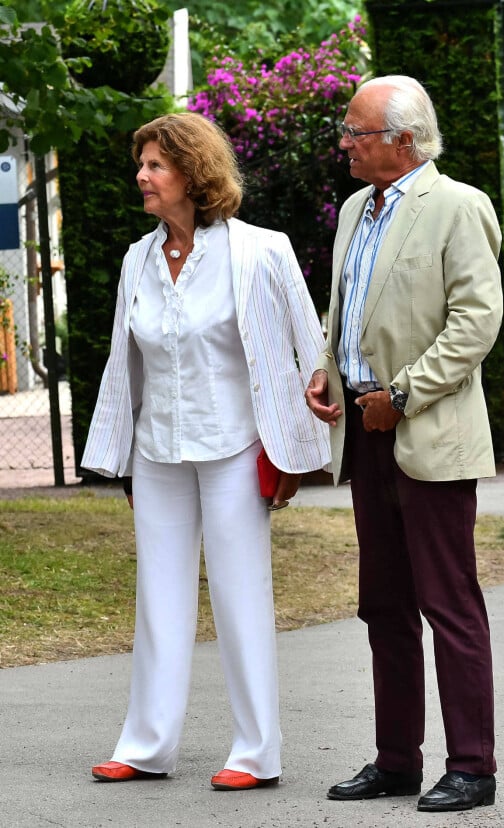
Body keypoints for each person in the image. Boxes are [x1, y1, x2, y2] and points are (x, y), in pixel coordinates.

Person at [81, 112, 330, 790]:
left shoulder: (262, 250)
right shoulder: (138, 257)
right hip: (158, 449)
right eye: (142, 165)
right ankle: (146, 745)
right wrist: (124, 456)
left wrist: (293, 450)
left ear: (193, 174)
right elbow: (121, 364)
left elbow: (311, 355)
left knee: (239, 596)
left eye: (155, 165)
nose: (142, 176)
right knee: (156, 598)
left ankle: (255, 754)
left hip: (234, 449)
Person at [305, 75, 503, 813]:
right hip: (364, 432)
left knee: (448, 602)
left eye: (356, 132)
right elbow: (347, 313)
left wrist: (404, 395)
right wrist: (330, 375)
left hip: (428, 432)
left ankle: (472, 767)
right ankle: (396, 761)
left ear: (404, 141)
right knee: (383, 604)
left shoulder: (457, 207)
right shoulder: (357, 208)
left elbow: (476, 323)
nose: (345, 143)